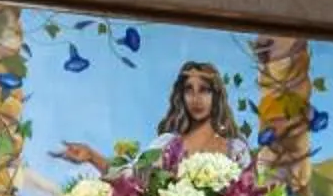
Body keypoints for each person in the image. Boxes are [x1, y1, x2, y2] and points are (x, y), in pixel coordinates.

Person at [54, 60, 240, 172]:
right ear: (181, 97)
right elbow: (130, 178)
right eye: (189, 91)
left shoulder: (236, 150)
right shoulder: (167, 145)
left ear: (216, 96)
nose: (196, 99)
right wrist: (91, 156)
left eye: (204, 90)